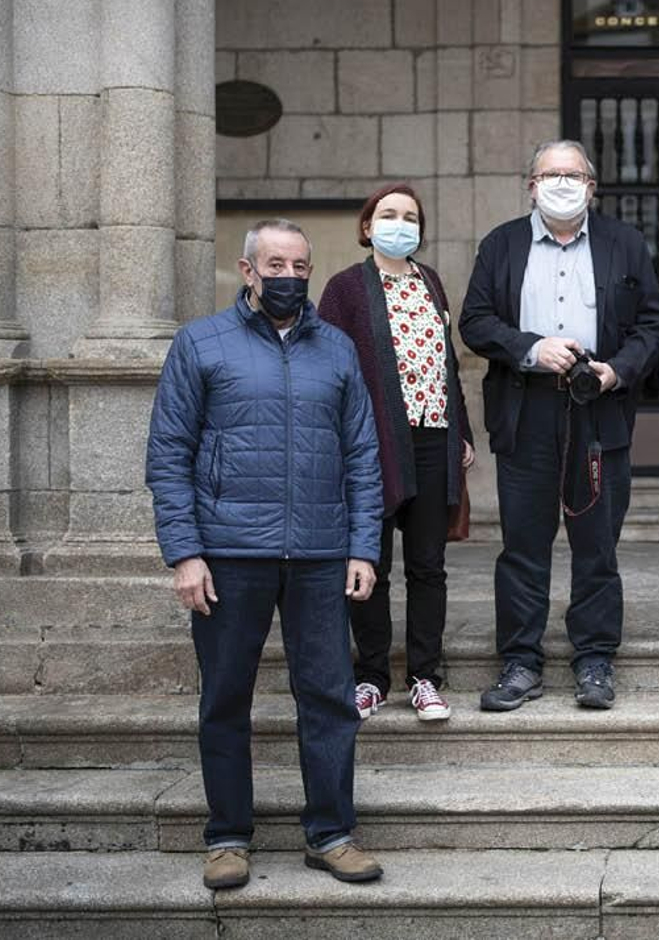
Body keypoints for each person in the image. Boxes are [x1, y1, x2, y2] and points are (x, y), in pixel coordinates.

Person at [145, 219, 385, 891]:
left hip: (317, 553)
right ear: (247, 270)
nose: (289, 275)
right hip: (226, 553)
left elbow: (363, 454)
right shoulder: (200, 343)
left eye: (300, 265)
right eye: (275, 263)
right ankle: (227, 837)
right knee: (225, 697)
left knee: (330, 698)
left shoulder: (335, 349)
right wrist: (185, 552)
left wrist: (362, 545)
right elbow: (169, 455)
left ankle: (332, 833)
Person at [459, 140, 659, 711]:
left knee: (596, 544)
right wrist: (531, 347)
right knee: (523, 544)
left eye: (573, 174)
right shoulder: (501, 244)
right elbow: (475, 321)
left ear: (592, 186)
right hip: (526, 409)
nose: (561, 182)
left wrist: (616, 372)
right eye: (550, 173)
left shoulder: (624, 244)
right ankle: (521, 662)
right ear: (530, 184)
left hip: (598, 408)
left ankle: (595, 659)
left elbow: (653, 325)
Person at [318, 183, 476, 723]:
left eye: (410, 216)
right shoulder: (345, 290)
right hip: (373, 444)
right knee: (372, 565)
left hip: (435, 439)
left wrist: (465, 434)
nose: (400, 223)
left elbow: (447, 366)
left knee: (428, 566)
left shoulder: (430, 282)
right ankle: (371, 677)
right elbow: (328, 370)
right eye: (388, 214)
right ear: (367, 227)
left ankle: (425, 677)